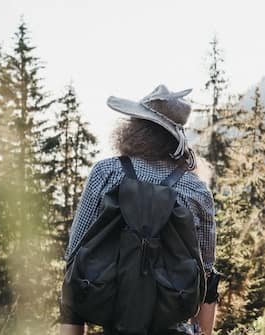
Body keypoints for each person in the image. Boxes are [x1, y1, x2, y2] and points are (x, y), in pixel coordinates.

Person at [60, 85, 219, 335]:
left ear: (134, 128)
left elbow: (75, 258)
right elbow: (206, 277)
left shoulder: (106, 173)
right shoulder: (196, 190)